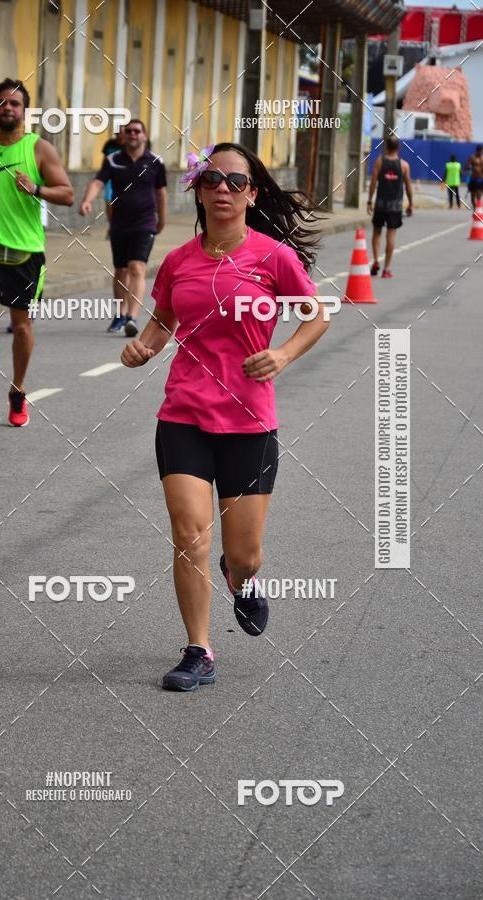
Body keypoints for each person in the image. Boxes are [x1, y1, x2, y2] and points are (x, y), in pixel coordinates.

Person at [121, 142, 330, 692]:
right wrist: (143, 346)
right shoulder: (179, 261)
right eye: (212, 179)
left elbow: (317, 317)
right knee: (189, 535)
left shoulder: (272, 258)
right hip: (184, 416)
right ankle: (199, 650)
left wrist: (283, 353)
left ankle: (242, 581)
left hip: (249, 424)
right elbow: (162, 321)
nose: (222, 189)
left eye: (235, 182)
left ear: (252, 194)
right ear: (199, 188)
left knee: (245, 553)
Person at [0, 77, 74, 426]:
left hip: (26, 251)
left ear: (25, 111)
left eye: (15, 103)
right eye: (2, 102)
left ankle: (17, 390)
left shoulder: (39, 149)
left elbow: (66, 193)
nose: (7, 108)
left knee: (21, 327)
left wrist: (37, 188)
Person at [79, 119, 166, 337]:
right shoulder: (113, 160)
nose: (133, 134)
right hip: (119, 224)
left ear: (144, 135)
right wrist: (87, 200)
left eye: (137, 131)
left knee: (137, 268)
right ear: (124, 136)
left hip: (145, 223)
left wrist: (162, 219)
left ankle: (132, 317)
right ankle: (120, 313)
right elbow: (98, 182)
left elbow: (161, 193)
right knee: (120, 270)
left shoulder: (155, 162)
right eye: (129, 131)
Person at [367, 135, 413, 279]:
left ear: (386, 147)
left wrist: (369, 201)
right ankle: (387, 268)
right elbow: (408, 186)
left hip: (380, 204)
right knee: (391, 235)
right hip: (395, 206)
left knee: (376, 232)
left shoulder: (379, 162)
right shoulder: (404, 165)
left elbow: (373, 182)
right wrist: (411, 203)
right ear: (399, 147)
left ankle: (375, 261)